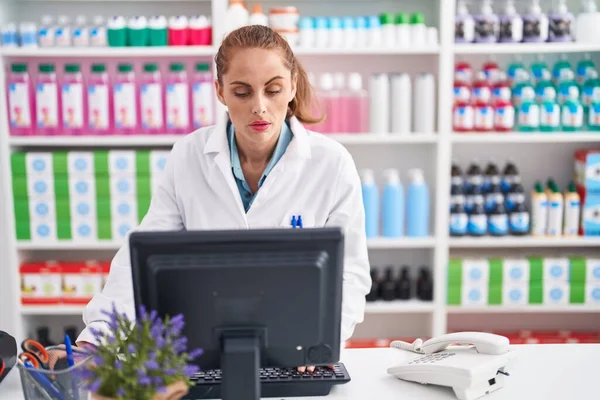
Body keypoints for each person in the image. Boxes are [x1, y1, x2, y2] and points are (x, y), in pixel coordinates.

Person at [51, 25, 371, 372]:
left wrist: (320, 342)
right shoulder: (189, 156)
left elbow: (350, 275)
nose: (260, 107)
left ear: (292, 85)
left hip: (298, 354)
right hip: (205, 352)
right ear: (220, 91)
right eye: (242, 92)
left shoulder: (332, 164)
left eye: (274, 89)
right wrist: (95, 339)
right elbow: (141, 258)